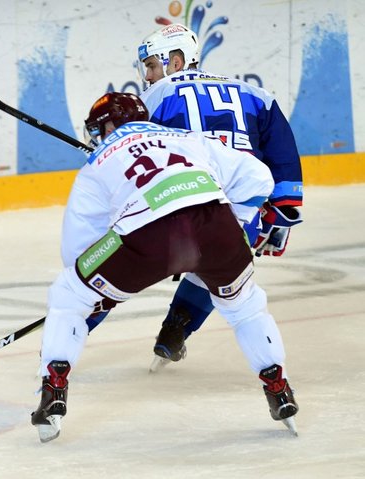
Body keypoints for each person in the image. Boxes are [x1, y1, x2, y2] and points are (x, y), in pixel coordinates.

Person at [31, 92, 298, 443]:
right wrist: (235, 223)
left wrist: (97, 293)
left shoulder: (95, 164)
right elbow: (259, 178)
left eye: (99, 129)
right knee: (245, 308)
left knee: (68, 293)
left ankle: (54, 387)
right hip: (217, 228)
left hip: (147, 238)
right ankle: (278, 387)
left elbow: (78, 249)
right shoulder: (190, 139)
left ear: (110, 125)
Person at [87, 23, 304, 372]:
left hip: (182, 199)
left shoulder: (156, 96)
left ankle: (72, 333)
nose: (148, 76)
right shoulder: (256, 94)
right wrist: (282, 210)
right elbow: (282, 154)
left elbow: (135, 153)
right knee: (216, 265)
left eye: (152, 66)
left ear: (176, 61)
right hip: (240, 204)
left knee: (121, 263)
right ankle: (176, 331)